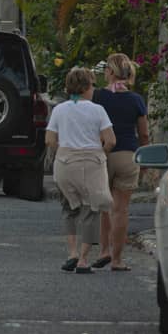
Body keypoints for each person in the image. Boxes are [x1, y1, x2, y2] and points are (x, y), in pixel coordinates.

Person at [45, 66, 116, 273]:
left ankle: (72, 253)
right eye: (92, 85)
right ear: (86, 87)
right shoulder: (97, 110)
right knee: (91, 210)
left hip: (65, 163)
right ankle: (84, 260)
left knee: (69, 208)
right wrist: (100, 153)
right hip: (91, 162)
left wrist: (64, 152)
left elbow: (49, 140)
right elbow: (110, 140)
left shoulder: (59, 109)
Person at [92, 52, 150, 271]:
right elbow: (143, 134)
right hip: (128, 156)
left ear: (109, 72)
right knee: (121, 210)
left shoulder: (98, 97)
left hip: (103, 154)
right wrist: (144, 159)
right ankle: (117, 260)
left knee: (104, 208)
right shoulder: (136, 100)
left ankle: (104, 250)